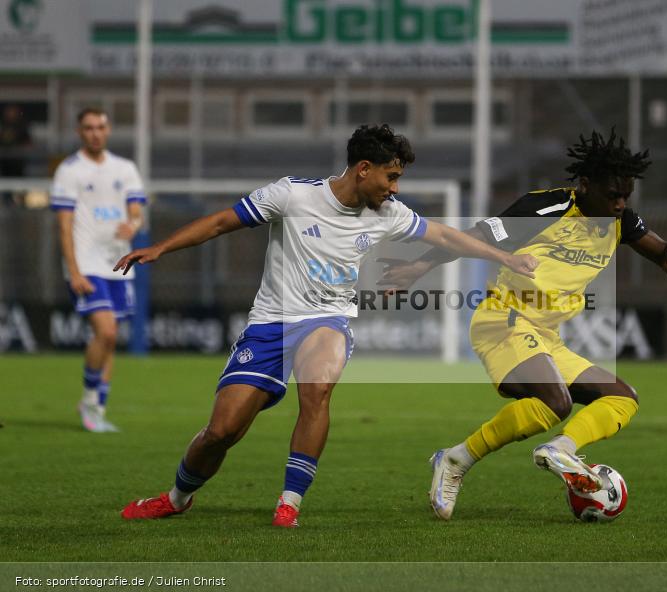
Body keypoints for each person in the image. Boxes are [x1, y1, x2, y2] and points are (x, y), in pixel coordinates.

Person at [115, 124, 537, 527]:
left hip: (328, 319)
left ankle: (289, 502)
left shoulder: (388, 212)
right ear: (363, 169)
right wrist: (161, 248)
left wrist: (505, 258)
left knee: (316, 391)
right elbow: (222, 221)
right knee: (221, 431)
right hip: (271, 323)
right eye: (390, 177)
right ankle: (176, 499)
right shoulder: (292, 195)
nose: (395, 188)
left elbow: (444, 236)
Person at [379, 130, 667, 520]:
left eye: (625, 196)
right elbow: (472, 237)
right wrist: (419, 266)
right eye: (612, 195)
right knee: (555, 401)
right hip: (504, 321)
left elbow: (661, 248)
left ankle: (550, 450)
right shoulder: (547, 208)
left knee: (623, 397)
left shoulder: (620, 221)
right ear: (585, 185)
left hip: (546, 337)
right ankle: (458, 463)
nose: (618, 204)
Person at [51, 107, 145, 433]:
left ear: (108, 130)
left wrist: (133, 226)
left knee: (110, 337)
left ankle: (98, 408)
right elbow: (63, 227)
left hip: (118, 264)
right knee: (104, 331)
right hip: (87, 264)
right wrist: (73, 271)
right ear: (80, 132)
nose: (95, 133)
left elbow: (137, 212)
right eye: (89, 128)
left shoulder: (125, 168)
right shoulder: (69, 171)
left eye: (100, 127)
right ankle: (90, 401)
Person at [0, 103, 33, 204]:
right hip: (4, 164)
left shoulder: (21, 126)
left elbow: (29, 144)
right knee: (6, 189)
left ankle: (21, 204)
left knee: (20, 188)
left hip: (18, 164)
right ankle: (7, 204)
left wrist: (19, 149)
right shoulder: (2, 126)